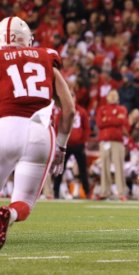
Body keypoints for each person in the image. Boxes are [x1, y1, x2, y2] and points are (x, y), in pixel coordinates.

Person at [0, 16, 75, 249]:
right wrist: (62, 146)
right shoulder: (46, 56)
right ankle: (9, 215)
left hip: (5, 128)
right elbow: (69, 109)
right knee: (23, 202)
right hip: (40, 134)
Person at [53, 91, 91, 199]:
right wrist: (58, 141)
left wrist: (83, 141)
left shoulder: (82, 111)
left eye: (73, 96)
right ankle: (56, 192)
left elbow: (86, 128)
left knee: (83, 169)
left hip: (78, 144)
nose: (71, 98)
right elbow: (57, 126)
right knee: (60, 169)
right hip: (66, 144)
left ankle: (87, 192)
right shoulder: (62, 111)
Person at [95, 89, 129, 200]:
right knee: (104, 166)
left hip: (117, 141)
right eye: (111, 95)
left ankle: (121, 192)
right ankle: (105, 192)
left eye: (115, 95)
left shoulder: (122, 109)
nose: (113, 97)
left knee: (119, 166)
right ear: (107, 97)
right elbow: (99, 123)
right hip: (104, 141)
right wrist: (113, 119)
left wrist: (107, 120)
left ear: (118, 97)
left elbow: (121, 122)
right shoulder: (102, 109)